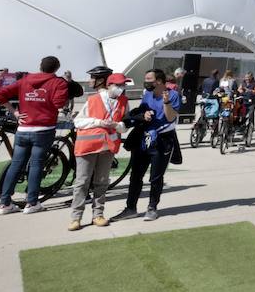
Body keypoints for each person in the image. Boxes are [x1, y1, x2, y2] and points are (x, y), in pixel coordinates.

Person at [0, 56, 69, 214]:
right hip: (44, 130)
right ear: (56, 68)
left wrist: (10, 111)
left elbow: (1, 95)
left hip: (23, 129)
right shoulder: (59, 82)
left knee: (16, 164)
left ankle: (4, 203)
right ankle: (32, 203)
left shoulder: (25, 80)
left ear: (40, 66)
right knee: (36, 165)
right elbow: (58, 104)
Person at [115, 68, 180, 222]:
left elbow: (170, 117)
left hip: (163, 141)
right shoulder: (147, 94)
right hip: (144, 138)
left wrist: (166, 102)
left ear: (159, 81)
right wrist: (143, 115)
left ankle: (152, 208)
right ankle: (130, 208)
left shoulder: (173, 95)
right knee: (136, 175)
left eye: (149, 79)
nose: (146, 82)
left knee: (156, 177)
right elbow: (143, 111)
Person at [68, 67, 128, 231]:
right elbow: (78, 122)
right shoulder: (93, 99)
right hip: (88, 147)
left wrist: (117, 125)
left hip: (108, 147)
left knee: (101, 182)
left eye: (123, 85)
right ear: (109, 84)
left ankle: (98, 215)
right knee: (82, 182)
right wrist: (99, 122)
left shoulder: (124, 102)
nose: (122, 88)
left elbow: (124, 126)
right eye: (119, 85)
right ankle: (76, 218)